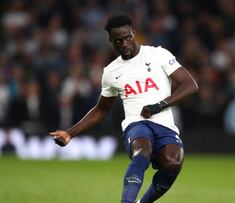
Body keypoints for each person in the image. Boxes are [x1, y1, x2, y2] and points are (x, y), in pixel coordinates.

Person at [49, 13, 198, 203]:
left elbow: (190, 85)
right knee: (142, 150)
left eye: (128, 38)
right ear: (111, 42)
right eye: (118, 41)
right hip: (136, 124)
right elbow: (101, 110)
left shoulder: (158, 54)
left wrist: (159, 105)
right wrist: (70, 133)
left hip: (164, 124)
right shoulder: (111, 72)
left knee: (174, 162)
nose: (125, 44)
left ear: (134, 33)